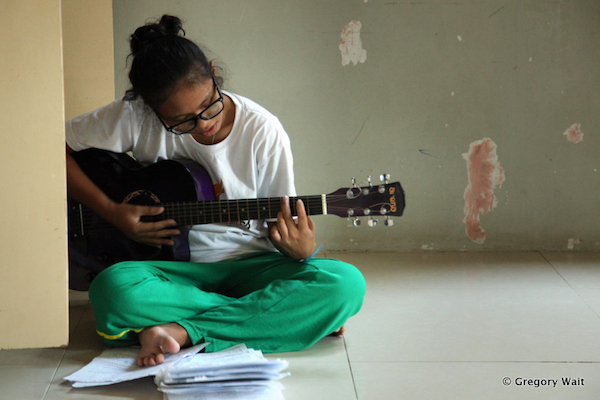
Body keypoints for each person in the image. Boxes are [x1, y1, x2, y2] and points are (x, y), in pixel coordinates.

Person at [66, 15, 366, 367]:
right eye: (182, 121)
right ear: (149, 108)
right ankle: (274, 317)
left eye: (209, 105)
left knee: (345, 284)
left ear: (213, 73)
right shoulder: (134, 117)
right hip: (172, 271)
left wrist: (301, 251)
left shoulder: (262, 130)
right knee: (111, 290)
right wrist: (110, 210)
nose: (205, 124)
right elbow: (54, 145)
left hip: (252, 267)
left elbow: (282, 226)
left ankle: (178, 331)